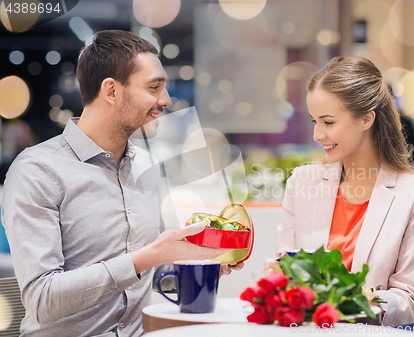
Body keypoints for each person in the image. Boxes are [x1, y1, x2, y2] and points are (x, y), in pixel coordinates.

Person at [1, 30, 241, 337]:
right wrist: (149, 256)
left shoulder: (145, 165)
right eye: (154, 88)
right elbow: (42, 300)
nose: (166, 101)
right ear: (111, 91)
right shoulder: (37, 170)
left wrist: (197, 267)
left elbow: (148, 278)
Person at [264, 56, 414, 326]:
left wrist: (355, 300)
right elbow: (285, 265)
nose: (317, 135)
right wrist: (277, 276)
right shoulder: (302, 182)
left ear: (367, 119)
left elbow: (410, 302)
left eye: (328, 122)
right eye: (314, 122)